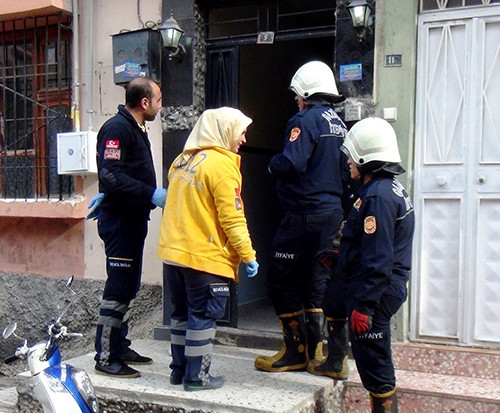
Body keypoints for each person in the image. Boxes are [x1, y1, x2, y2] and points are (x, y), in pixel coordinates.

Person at [254, 61, 348, 373]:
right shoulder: (339, 123)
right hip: (331, 215)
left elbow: (291, 163)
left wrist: (271, 165)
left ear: (306, 93)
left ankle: (294, 350)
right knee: (317, 279)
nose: (295, 99)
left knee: (281, 279)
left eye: (297, 94)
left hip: (302, 215)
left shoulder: (304, 120)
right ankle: (318, 352)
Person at [158, 107, 259, 391]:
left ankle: (178, 371)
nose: (244, 139)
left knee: (179, 316)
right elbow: (232, 218)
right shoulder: (222, 166)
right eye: (240, 132)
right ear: (224, 130)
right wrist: (248, 255)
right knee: (202, 317)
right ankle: (197, 377)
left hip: (174, 255)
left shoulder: (182, 160)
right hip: (204, 257)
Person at [337, 117, 415, 413]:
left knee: (375, 364)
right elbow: (370, 246)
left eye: (352, 156)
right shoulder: (385, 189)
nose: (348, 163)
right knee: (373, 363)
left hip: (376, 292)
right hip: (378, 287)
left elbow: (378, 257)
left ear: (366, 158)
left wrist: (365, 306)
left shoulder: (378, 197)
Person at [92, 76, 165, 378]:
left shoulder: (135, 128)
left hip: (132, 218)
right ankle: (105, 356)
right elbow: (110, 174)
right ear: (145, 102)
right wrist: (150, 193)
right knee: (119, 287)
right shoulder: (117, 128)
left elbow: (120, 173)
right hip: (121, 221)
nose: (161, 106)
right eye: (159, 100)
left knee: (130, 285)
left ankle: (119, 345)